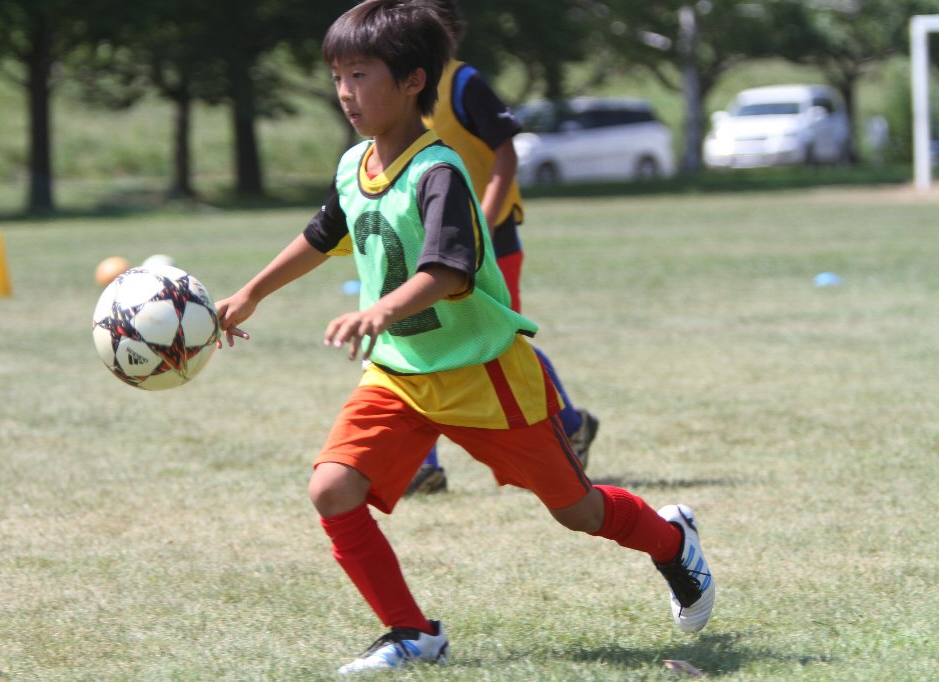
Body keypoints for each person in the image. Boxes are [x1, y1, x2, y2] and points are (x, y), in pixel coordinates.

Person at [216, 0, 715, 674]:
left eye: (360, 75)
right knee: (332, 489)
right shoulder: (353, 165)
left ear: (413, 81)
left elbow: (448, 271)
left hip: (483, 375)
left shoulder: (438, 172)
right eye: (337, 77)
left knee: (578, 510)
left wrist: (380, 310)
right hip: (400, 375)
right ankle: (411, 632)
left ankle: (671, 541)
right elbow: (321, 235)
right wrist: (251, 292)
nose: (345, 93)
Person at [404, 0, 598, 496]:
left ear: (448, 30)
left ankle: (570, 424)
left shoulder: (464, 82)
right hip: (425, 239)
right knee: (418, 335)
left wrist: (480, 232)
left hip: (489, 238)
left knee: (500, 340)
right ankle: (423, 465)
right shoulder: (398, 86)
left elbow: (505, 156)